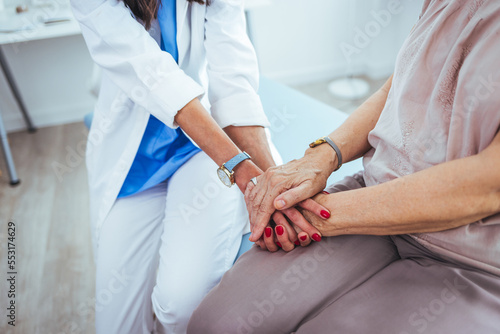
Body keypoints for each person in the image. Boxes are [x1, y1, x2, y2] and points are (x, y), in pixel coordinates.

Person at [187, 0, 500, 332]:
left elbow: (487, 185)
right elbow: (400, 86)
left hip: (473, 253)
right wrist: (320, 158)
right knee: (215, 324)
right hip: (374, 189)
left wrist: (318, 214)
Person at [71, 0, 328, 333]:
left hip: (202, 152)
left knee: (179, 308)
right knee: (116, 327)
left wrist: (274, 184)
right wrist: (239, 166)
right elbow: (152, 75)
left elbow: (233, 81)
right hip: (134, 165)